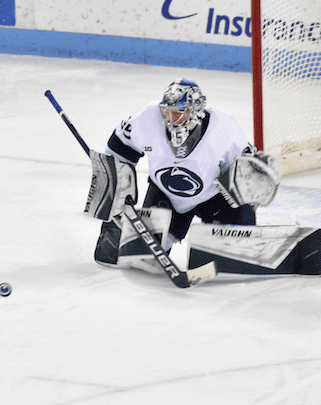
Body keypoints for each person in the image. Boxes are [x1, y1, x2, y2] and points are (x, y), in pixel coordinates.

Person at [88, 78, 279, 267]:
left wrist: (252, 195)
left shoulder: (224, 129)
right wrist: (117, 188)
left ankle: (237, 239)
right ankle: (158, 233)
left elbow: (247, 173)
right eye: (168, 112)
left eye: (179, 112)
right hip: (166, 195)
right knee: (139, 259)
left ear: (196, 111)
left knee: (226, 261)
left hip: (215, 199)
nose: (172, 119)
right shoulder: (145, 119)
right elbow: (120, 146)